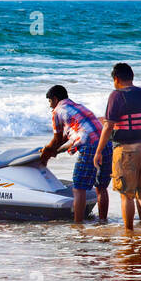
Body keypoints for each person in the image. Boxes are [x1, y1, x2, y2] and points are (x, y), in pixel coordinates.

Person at [95, 62, 141, 232]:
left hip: (126, 150)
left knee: (127, 195)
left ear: (116, 79)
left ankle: (128, 231)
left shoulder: (116, 95)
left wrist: (98, 151)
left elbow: (109, 126)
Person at [40, 85, 107, 224]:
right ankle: (102, 222)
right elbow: (68, 137)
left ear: (55, 99)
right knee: (101, 187)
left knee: (79, 188)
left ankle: (78, 225)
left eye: (50, 102)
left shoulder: (58, 110)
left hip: (90, 146)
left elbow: (58, 139)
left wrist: (46, 152)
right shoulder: (79, 107)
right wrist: (53, 151)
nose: (50, 106)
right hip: (106, 144)